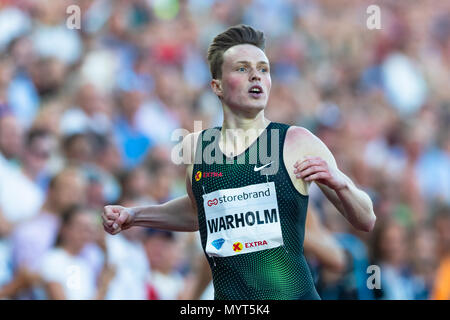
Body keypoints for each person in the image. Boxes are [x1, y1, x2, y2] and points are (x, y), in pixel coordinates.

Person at [102, 24, 376, 300]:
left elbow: (366, 219)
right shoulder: (198, 147)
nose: (256, 75)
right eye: (242, 69)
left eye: (263, 69)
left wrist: (341, 185)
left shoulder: (296, 141)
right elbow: (198, 211)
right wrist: (135, 216)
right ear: (217, 86)